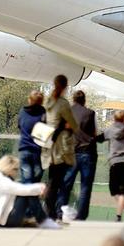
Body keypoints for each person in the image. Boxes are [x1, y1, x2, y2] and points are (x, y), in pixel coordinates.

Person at [42, 74, 81, 222]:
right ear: (65, 86)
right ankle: (51, 213)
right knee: (57, 182)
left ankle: (50, 211)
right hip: (60, 148)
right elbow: (74, 125)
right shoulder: (63, 103)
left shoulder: (48, 101)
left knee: (52, 179)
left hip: (48, 144)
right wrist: (68, 126)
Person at [0, 155, 60, 229]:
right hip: (3, 221)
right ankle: (43, 220)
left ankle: (41, 220)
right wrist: (41, 187)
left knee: (28, 192)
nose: (17, 172)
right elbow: (22, 189)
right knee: (27, 193)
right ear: (8, 168)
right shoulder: (1, 181)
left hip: (3, 219)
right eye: (15, 169)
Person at [63, 89, 98, 220]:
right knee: (85, 187)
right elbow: (94, 133)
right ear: (84, 100)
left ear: (73, 99)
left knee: (66, 184)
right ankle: (81, 216)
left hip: (71, 153)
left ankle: (60, 211)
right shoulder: (90, 113)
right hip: (87, 152)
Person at [17, 90, 45, 184]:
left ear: (30, 100)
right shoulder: (43, 113)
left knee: (27, 179)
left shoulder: (22, 111)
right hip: (37, 150)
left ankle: (27, 191)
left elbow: (19, 126)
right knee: (37, 175)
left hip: (24, 148)